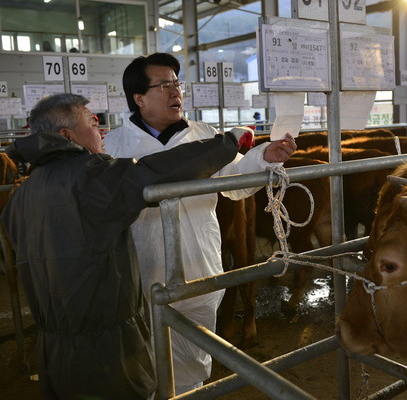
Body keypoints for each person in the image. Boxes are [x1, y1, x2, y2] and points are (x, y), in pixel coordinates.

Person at [1, 93, 254, 399]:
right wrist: (226, 143)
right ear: (66, 135)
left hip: (54, 347)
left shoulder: (21, 196)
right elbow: (154, 171)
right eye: (91, 122)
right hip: (106, 346)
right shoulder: (90, 177)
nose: (101, 130)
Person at [103, 52, 296, 394]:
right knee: (143, 353)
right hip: (140, 268)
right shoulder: (113, 145)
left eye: (177, 83)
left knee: (194, 353)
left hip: (199, 264)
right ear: (139, 98)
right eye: (164, 84)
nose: (175, 91)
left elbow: (237, 182)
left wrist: (263, 157)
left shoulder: (204, 135)